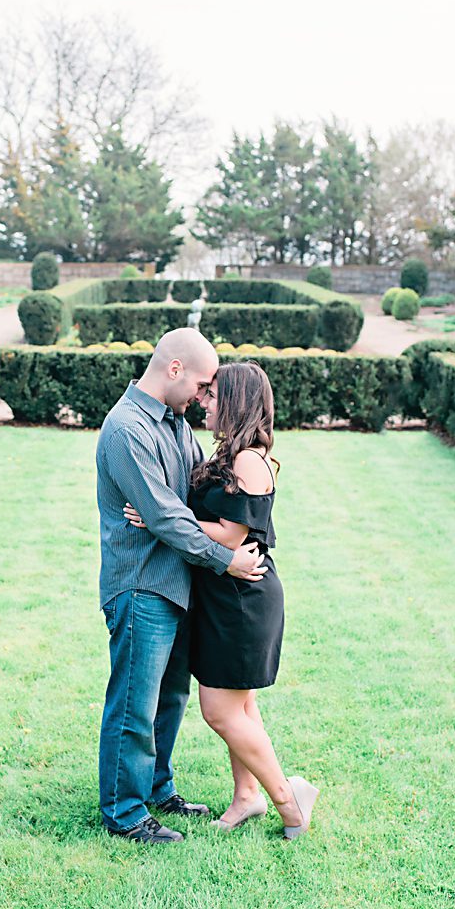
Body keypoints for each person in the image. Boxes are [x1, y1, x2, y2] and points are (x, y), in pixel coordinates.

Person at [124, 361, 320, 841]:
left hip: (242, 597)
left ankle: (289, 799)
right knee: (243, 707)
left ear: (233, 402)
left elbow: (232, 534)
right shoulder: (230, 453)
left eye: (212, 395)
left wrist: (160, 518)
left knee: (220, 710)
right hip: (224, 593)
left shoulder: (249, 459)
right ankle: (245, 797)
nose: (203, 402)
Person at [96, 328, 269, 843]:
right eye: (199, 384)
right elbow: (168, 518)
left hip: (177, 583)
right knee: (134, 701)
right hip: (141, 582)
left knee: (170, 697)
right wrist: (226, 560)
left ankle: (156, 787)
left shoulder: (173, 424)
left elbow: (191, 496)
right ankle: (125, 813)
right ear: (174, 369)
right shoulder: (127, 429)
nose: (201, 397)